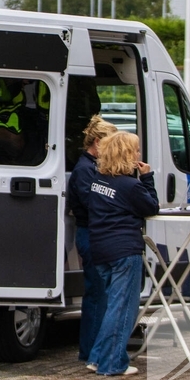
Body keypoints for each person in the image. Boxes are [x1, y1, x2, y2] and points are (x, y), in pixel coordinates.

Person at [85, 132, 159, 377]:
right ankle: (113, 363)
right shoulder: (131, 186)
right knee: (123, 309)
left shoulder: (98, 181)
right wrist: (147, 177)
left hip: (100, 248)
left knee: (111, 306)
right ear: (127, 154)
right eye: (136, 150)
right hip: (124, 249)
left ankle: (97, 357)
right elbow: (151, 207)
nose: (139, 154)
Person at [66, 115, 117, 365]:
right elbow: (93, 203)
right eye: (110, 144)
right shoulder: (86, 170)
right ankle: (92, 351)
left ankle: (93, 349)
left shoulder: (89, 167)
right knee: (97, 294)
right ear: (97, 142)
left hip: (93, 233)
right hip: (91, 233)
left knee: (98, 292)